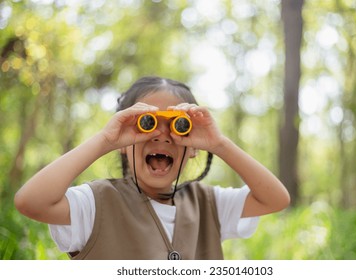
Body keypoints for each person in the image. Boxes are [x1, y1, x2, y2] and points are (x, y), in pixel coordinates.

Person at [14, 76, 290, 260]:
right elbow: (30, 202)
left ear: (193, 147)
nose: (161, 135)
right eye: (146, 123)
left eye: (178, 125)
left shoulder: (210, 204)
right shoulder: (95, 204)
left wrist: (218, 143)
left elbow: (276, 199)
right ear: (124, 141)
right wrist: (105, 140)